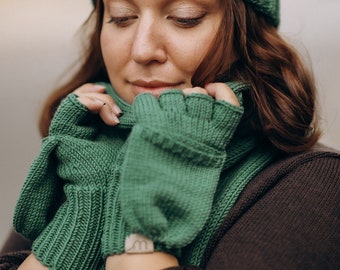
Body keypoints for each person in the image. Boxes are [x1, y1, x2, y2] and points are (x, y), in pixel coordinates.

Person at [1, 0, 339, 269]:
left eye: (184, 17)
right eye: (121, 16)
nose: (143, 50)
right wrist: (87, 206)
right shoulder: (84, 149)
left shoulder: (314, 182)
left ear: (245, 33)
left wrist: (142, 225)